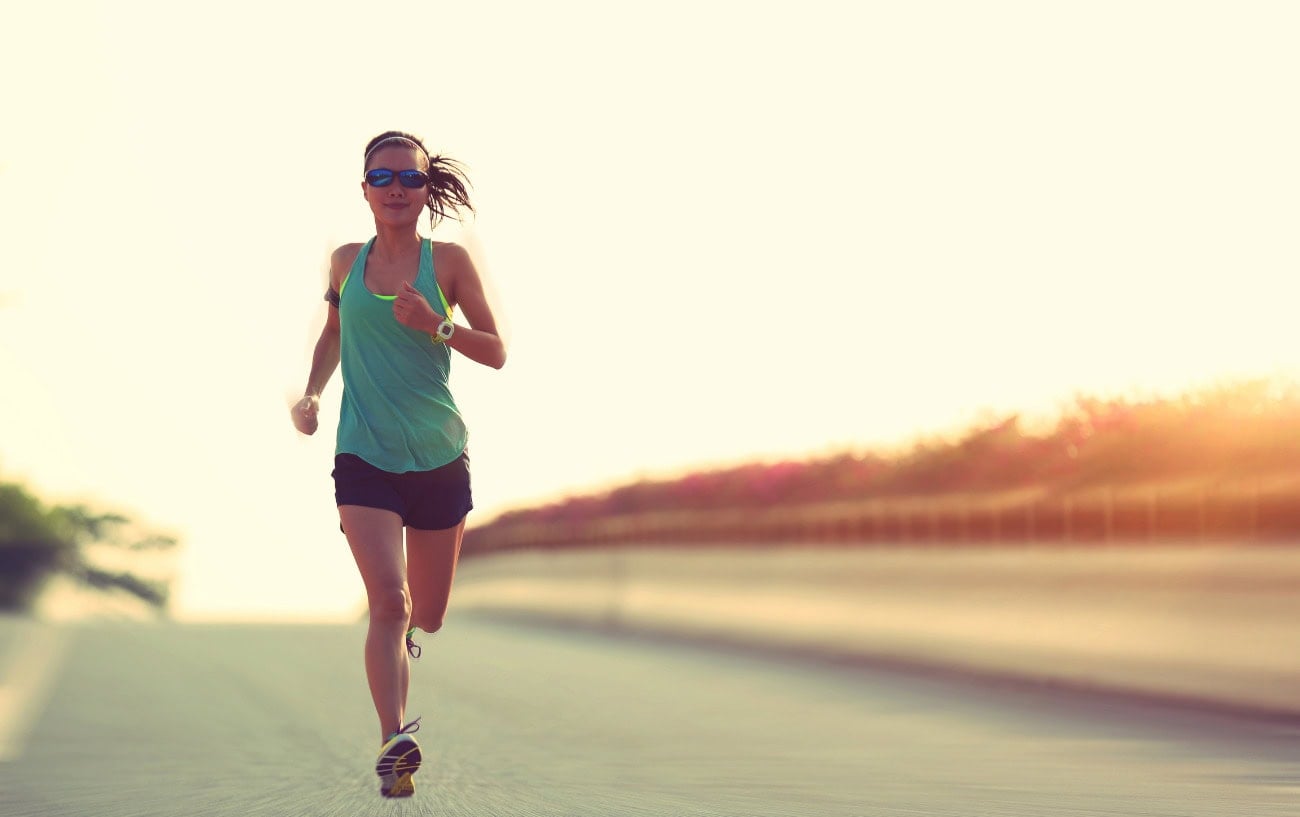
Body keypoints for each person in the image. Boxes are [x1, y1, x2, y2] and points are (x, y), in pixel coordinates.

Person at [291, 130, 506, 798]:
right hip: (363, 454)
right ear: (364, 190)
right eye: (381, 178)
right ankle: (393, 740)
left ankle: (408, 641)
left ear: (424, 189)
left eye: (408, 178)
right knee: (390, 600)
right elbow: (333, 333)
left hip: (438, 454)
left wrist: (435, 324)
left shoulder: (448, 266)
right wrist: (312, 393)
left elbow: (496, 350)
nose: (395, 189)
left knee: (428, 613)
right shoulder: (344, 262)